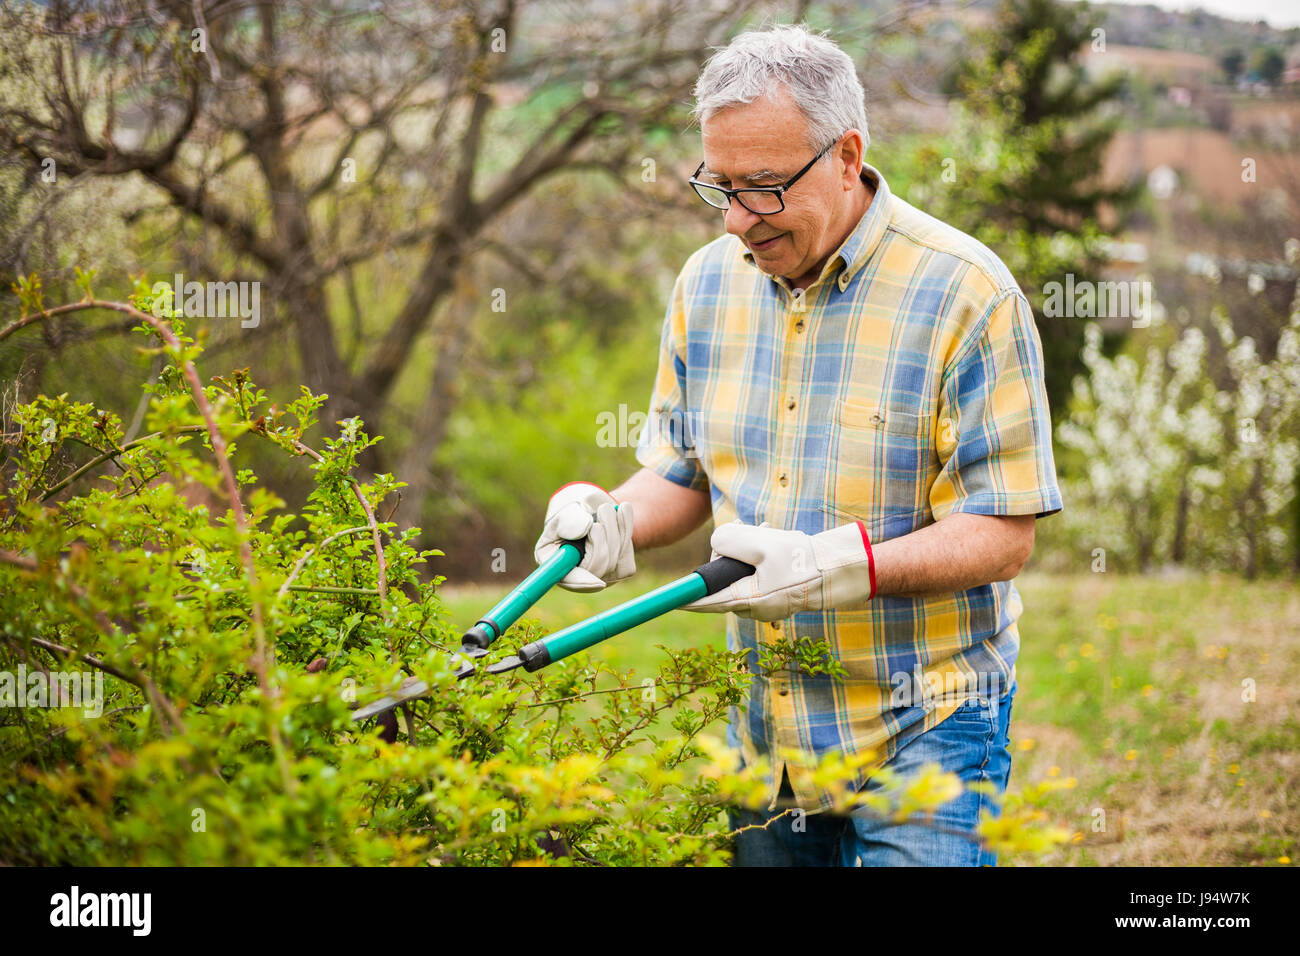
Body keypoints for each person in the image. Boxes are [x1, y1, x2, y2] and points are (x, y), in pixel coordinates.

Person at [533, 23, 1062, 867]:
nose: (740, 218)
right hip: (767, 730)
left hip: (929, 719)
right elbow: (681, 474)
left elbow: (1005, 532)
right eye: (722, 186)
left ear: (848, 156)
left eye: (767, 187)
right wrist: (609, 518)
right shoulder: (706, 284)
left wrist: (839, 568)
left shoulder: (968, 294)